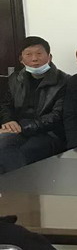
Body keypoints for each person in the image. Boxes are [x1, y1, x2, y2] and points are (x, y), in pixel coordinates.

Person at [0, 36, 68, 173]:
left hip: (49, 133)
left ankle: (19, 184)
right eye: (29, 54)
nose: (34, 59)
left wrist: (23, 127)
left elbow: (57, 116)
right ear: (21, 59)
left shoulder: (64, 81)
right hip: (19, 130)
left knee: (24, 151)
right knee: (3, 144)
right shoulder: (15, 79)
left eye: (39, 53)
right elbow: (5, 105)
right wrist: (9, 122)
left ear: (49, 57)